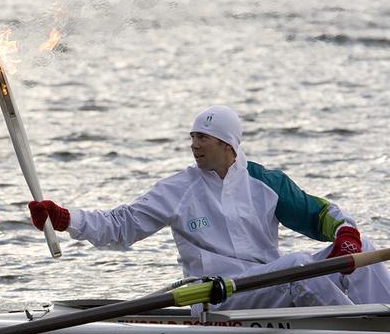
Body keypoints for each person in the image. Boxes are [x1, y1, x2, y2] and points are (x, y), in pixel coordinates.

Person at [28, 105, 390, 315]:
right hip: (216, 296)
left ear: (227, 144)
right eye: (192, 137)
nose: (194, 145)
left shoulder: (266, 183)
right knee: (297, 265)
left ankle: (381, 321)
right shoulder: (179, 189)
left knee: (366, 250)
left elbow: (321, 214)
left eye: (202, 138)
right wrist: (66, 218)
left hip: (270, 286)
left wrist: (346, 233)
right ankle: (355, 327)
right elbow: (121, 226)